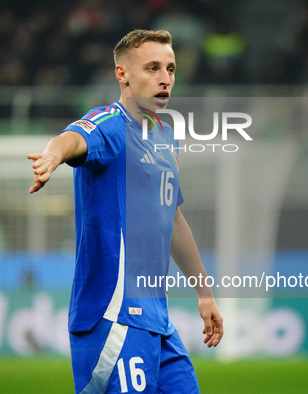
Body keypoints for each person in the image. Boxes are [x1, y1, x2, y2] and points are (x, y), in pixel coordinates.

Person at [28, 29, 223, 393]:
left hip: (157, 321)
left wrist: (204, 292)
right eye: (152, 68)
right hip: (114, 318)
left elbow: (173, 220)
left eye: (170, 68)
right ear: (123, 74)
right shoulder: (111, 123)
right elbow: (74, 138)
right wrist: (54, 154)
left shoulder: (164, 136)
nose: (165, 78)